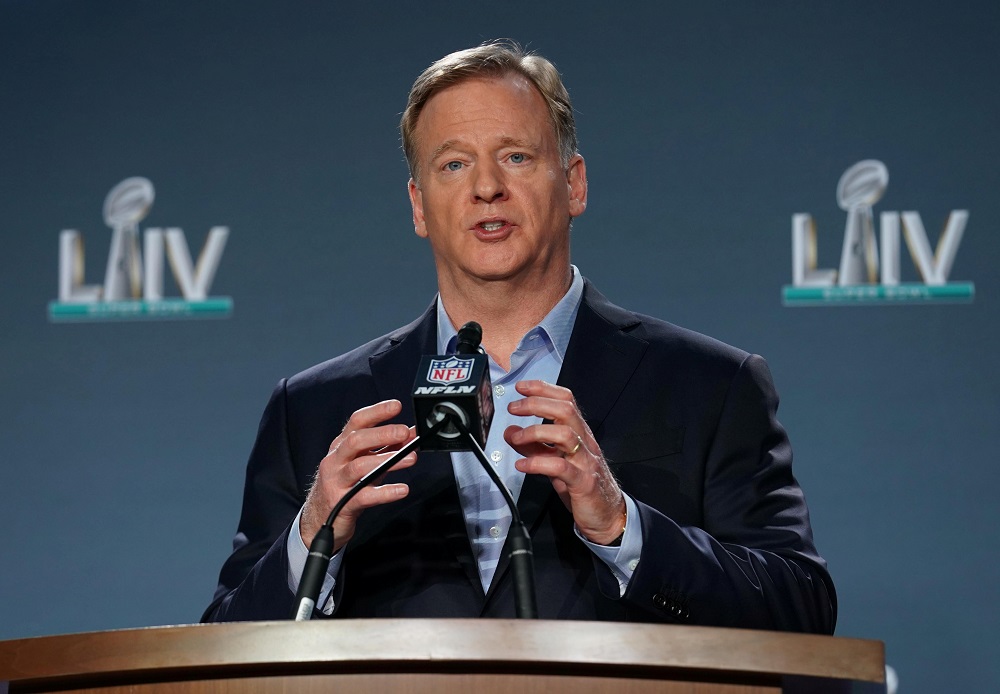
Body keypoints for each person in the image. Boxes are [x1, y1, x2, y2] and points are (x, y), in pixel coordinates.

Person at [203, 41, 836, 632]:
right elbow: (224, 640)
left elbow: (801, 606)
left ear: (575, 184)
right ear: (419, 207)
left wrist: (624, 526)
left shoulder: (712, 387)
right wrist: (314, 534)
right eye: (454, 164)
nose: (486, 188)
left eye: (516, 156)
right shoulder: (313, 410)